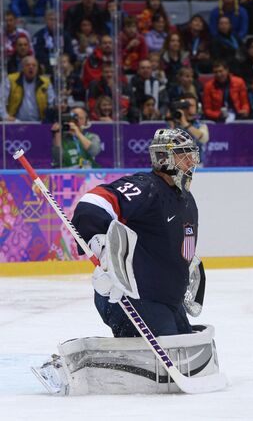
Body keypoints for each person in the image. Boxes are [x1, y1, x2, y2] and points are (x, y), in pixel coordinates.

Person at [33, 128, 222, 395]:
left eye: (191, 154)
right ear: (164, 158)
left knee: (185, 352)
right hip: (131, 297)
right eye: (183, 155)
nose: (191, 161)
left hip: (167, 301)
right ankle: (67, 368)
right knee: (158, 365)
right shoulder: (146, 187)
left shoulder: (186, 199)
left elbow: (180, 246)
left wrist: (187, 268)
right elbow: (92, 203)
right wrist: (102, 249)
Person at [0, 56, 55, 122]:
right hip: (16, 123)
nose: (31, 67)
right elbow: (1, 100)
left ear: (37, 68)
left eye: (34, 65)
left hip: (39, 123)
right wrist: (5, 116)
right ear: (22, 67)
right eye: (28, 65)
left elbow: (52, 103)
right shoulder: (11, 79)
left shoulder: (45, 82)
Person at [51, 104, 103, 168]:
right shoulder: (61, 138)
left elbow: (94, 151)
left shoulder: (92, 136)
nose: (77, 121)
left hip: (90, 174)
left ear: (86, 121)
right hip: (68, 174)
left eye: (80, 118)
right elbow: (57, 158)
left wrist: (78, 133)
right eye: (74, 118)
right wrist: (57, 133)